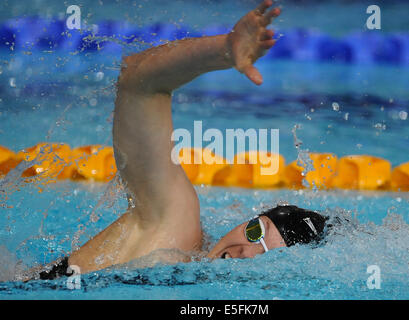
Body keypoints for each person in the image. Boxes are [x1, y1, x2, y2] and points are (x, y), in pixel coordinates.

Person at [37, 0, 328, 280]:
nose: (243, 253)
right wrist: (225, 50)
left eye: (267, 257)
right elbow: (140, 83)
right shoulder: (175, 233)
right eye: (255, 233)